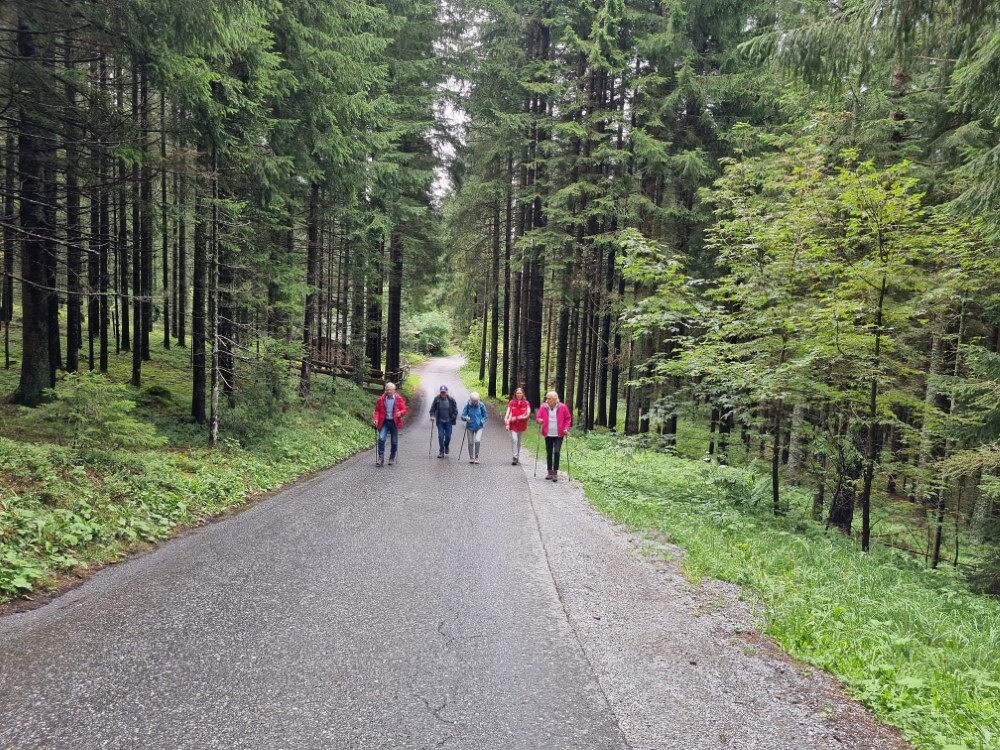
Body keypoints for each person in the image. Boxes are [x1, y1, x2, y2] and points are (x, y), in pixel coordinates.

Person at [535, 390, 571, 481]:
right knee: (549, 452)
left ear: (555, 399)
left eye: (549, 399)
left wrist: (566, 428)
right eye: (547, 398)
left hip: (559, 434)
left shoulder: (563, 407)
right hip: (548, 433)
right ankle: (549, 472)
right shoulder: (544, 407)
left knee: (557, 452)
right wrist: (539, 420)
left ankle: (555, 472)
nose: (547, 400)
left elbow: (568, 419)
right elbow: (538, 417)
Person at [372, 381, 407, 467]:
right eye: (387, 389)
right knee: (381, 438)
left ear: (394, 390)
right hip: (384, 422)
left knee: (394, 442)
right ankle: (381, 458)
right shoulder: (381, 399)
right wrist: (376, 419)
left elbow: (404, 409)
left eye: (390, 390)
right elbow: (377, 411)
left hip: (394, 422)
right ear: (385, 390)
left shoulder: (398, 399)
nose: (389, 391)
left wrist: (400, 413)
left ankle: (392, 456)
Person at [428, 384, 458, 458]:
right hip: (440, 421)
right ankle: (441, 451)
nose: (443, 393)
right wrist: (432, 416)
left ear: (447, 392)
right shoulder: (437, 399)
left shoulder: (451, 400)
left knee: (448, 437)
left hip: (449, 421)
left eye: (444, 392)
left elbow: (455, 411)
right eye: (442, 392)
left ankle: (446, 446)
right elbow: (432, 409)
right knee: (440, 436)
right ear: (440, 392)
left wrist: (452, 418)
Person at [503, 387, 531, 465]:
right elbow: (508, 414)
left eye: (520, 393)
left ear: (523, 394)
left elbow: (527, 414)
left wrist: (517, 418)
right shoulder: (512, 402)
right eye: (517, 393)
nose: (518, 395)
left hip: (521, 425)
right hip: (513, 425)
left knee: (519, 441)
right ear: (515, 394)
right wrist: (507, 423)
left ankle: (517, 455)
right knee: (514, 440)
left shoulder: (526, 403)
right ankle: (514, 457)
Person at [461, 391, 488, 464]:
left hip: (479, 427)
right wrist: (466, 418)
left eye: (476, 400)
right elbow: (462, 415)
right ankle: (471, 457)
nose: (475, 402)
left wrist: (482, 421)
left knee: (477, 441)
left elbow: (485, 416)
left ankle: (476, 456)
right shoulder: (468, 405)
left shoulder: (481, 405)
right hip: (470, 426)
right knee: (470, 442)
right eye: (473, 400)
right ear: (471, 399)